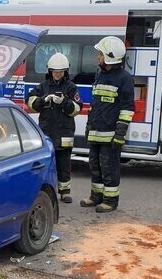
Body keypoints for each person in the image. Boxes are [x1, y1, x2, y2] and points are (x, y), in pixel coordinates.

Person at [79, 36, 134, 213]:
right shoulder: (100, 74)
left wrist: (120, 134)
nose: (98, 58)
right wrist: (89, 127)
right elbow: (96, 105)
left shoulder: (124, 78)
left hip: (110, 134)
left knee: (109, 167)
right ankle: (96, 197)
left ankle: (110, 201)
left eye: (101, 55)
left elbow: (127, 108)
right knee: (94, 166)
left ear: (110, 57)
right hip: (96, 131)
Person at [26, 53, 81, 203]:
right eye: (55, 72)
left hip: (65, 131)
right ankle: (47, 192)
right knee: (47, 164)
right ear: (50, 71)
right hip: (47, 131)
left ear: (65, 72)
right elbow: (30, 101)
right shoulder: (43, 86)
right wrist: (43, 100)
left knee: (64, 162)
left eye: (60, 72)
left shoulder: (71, 87)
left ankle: (65, 192)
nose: (57, 75)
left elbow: (77, 109)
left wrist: (64, 102)